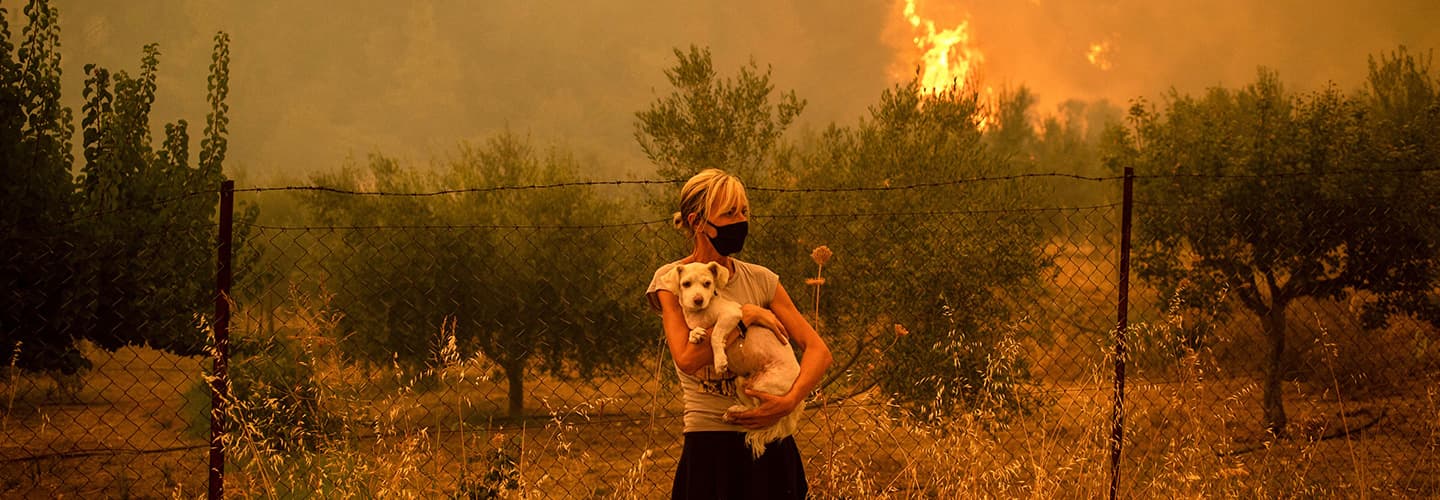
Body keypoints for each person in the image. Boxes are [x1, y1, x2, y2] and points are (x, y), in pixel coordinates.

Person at [646, 168, 832, 499]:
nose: (741, 220)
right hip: (709, 443)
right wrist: (744, 317)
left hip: (769, 443)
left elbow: (818, 351)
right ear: (698, 221)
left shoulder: (762, 280)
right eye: (730, 213)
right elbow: (687, 358)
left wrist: (788, 402)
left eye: (744, 211)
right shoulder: (673, 280)